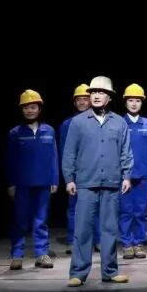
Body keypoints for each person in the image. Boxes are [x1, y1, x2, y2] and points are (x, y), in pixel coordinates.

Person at [62, 76, 133, 287]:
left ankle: (110, 271)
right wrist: (69, 178)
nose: (96, 96)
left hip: (111, 181)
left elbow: (125, 151)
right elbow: (69, 152)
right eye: (93, 92)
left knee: (110, 229)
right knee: (82, 229)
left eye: (101, 92)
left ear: (109, 97)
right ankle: (78, 273)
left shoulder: (119, 122)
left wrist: (127, 175)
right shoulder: (78, 122)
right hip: (86, 182)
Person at [6, 90, 59, 270]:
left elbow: (54, 157)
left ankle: (41, 253)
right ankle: (17, 255)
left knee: (41, 220)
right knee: (20, 220)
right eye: (26, 108)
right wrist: (11, 184)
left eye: (33, 107)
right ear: (21, 110)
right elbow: (10, 160)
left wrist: (54, 180)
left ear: (39, 109)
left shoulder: (49, 130)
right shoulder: (15, 132)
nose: (29, 111)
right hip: (22, 184)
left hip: (43, 183)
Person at [120, 84, 147, 260]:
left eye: (137, 100)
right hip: (124, 176)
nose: (134, 104)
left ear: (142, 103)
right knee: (125, 211)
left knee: (141, 211)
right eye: (130, 100)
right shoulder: (119, 124)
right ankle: (127, 244)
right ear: (125, 102)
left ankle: (139, 242)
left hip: (144, 175)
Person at [60, 83, 97, 255]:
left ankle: (97, 240)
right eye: (79, 100)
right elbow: (64, 151)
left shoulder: (99, 121)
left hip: (95, 172)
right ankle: (73, 240)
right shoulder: (68, 124)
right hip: (76, 174)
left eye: (85, 99)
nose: (82, 102)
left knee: (97, 208)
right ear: (74, 103)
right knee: (74, 209)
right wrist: (69, 177)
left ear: (91, 101)